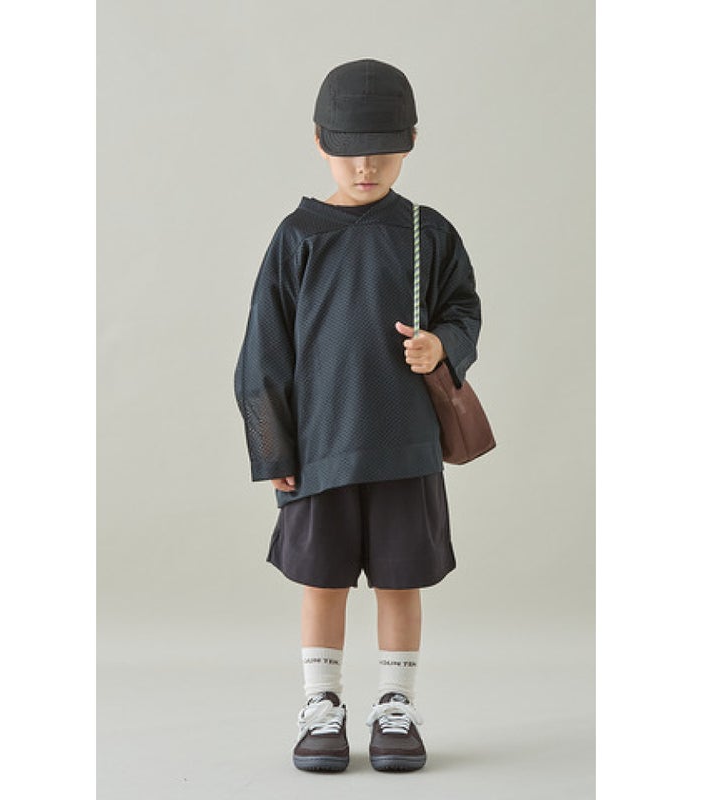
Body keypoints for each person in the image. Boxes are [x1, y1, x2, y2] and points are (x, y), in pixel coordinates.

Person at [233, 58, 482, 773]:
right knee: (323, 581)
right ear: (319, 141)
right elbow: (262, 353)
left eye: (382, 149)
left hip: (405, 447)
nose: (365, 165)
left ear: (411, 143)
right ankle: (322, 705)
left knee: (401, 581)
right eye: (349, 150)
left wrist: (442, 345)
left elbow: (462, 309)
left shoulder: (427, 233)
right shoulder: (298, 236)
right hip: (320, 449)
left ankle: (396, 707)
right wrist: (274, 451)